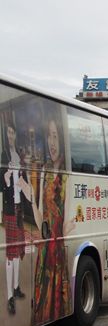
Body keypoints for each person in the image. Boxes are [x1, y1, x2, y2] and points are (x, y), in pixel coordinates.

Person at [20, 108, 74, 326]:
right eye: (48, 136)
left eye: (55, 136)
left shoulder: (67, 175)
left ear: (61, 138)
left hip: (57, 246)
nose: (51, 142)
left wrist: (69, 227)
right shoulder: (44, 171)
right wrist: (31, 197)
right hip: (45, 248)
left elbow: (68, 219)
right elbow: (40, 215)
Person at [1, 119, 26, 315]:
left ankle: (16, 287)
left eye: (12, 133)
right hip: (10, 210)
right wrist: (7, 177)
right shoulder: (3, 155)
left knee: (17, 251)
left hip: (20, 209)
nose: (10, 136)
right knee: (10, 253)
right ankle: (9, 295)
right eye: (8, 133)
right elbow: (2, 185)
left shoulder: (18, 155)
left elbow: (24, 182)